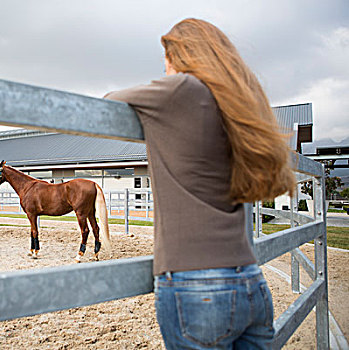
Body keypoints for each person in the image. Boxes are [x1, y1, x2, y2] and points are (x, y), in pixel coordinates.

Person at [105, 18, 295, 349]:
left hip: (197, 285)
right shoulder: (236, 103)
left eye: (166, 58)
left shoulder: (182, 89)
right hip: (250, 280)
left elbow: (109, 100)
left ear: (180, 55)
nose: (164, 68)